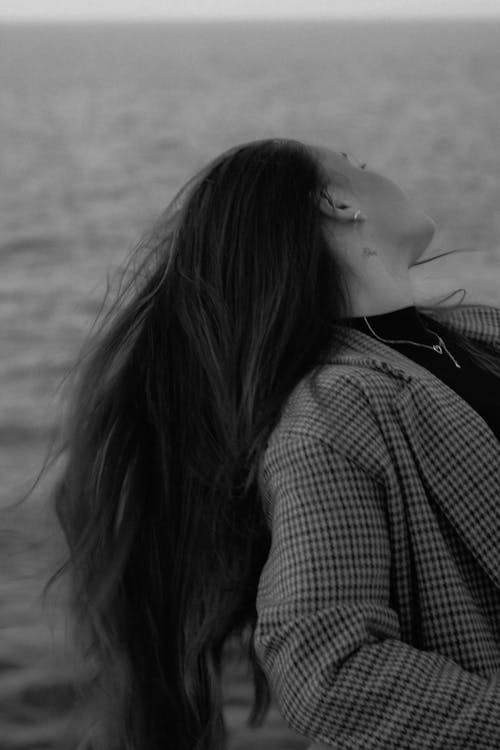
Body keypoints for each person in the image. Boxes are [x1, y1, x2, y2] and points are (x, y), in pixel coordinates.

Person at [27, 138, 500, 749]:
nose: (375, 168)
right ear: (334, 201)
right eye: (356, 165)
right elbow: (328, 666)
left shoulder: (472, 334)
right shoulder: (332, 413)